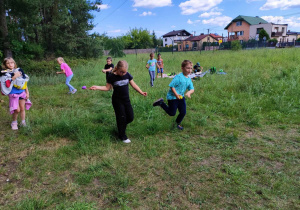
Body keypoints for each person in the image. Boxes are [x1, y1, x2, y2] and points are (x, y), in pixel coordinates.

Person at [90, 60, 147, 143]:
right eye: (121, 72)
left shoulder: (127, 75)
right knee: (121, 117)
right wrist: (97, 87)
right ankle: (122, 136)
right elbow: (107, 88)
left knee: (130, 117)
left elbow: (134, 85)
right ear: (116, 68)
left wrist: (141, 92)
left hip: (126, 100)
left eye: (124, 72)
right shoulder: (111, 76)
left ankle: (121, 126)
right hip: (117, 101)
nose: (123, 74)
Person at [153, 60, 194, 130]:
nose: (189, 70)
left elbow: (192, 89)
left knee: (183, 112)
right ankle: (161, 103)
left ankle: (177, 124)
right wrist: (176, 95)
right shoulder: (178, 77)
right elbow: (172, 86)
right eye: (187, 68)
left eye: (191, 68)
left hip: (181, 97)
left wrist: (189, 93)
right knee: (172, 113)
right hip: (172, 97)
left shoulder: (189, 79)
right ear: (182, 68)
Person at [2, 57, 31, 130]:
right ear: (5, 65)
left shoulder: (18, 70)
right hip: (13, 94)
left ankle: (23, 122)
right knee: (16, 109)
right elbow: (7, 85)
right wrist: (14, 77)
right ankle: (14, 122)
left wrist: (27, 92)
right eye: (8, 63)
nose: (10, 64)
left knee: (22, 108)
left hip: (22, 92)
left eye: (11, 62)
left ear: (14, 63)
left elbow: (24, 82)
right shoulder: (5, 73)